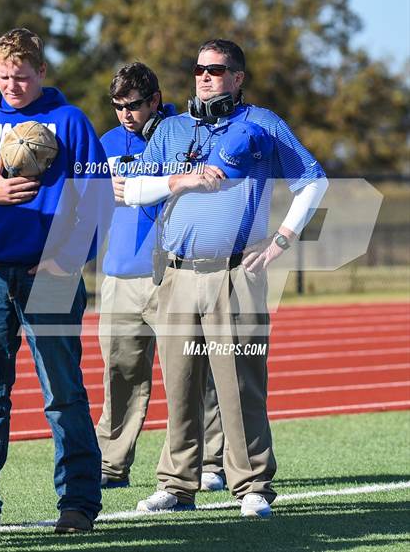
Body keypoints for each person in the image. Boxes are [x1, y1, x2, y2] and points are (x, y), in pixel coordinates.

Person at [124, 38, 328, 518]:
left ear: (237, 77)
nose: (204, 77)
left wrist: (281, 240)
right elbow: (132, 189)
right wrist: (182, 181)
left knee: (239, 385)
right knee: (180, 384)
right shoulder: (172, 129)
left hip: (235, 273)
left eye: (215, 70)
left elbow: (313, 180)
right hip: (176, 273)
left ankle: (252, 485)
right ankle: (177, 486)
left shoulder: (263, 123)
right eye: (198, 69)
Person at [0, 28, 113, 532]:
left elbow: (99, 199)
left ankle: (79, 504)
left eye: (21, 76)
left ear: (41, 72)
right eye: (3, 77)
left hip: (54, 273)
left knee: (62, 392)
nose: (12, 86)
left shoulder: (71, 122)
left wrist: (68, 259)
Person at [97, 63, 226, 493]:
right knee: (120, 372)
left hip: (176, 269)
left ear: (155, 98)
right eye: (117, 106)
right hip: (121, 275)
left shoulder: (186, 132)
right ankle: (111, 464)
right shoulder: (107, 144)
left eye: (132, 105)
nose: (124, 115)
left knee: (192, 370)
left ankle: (210, 460)